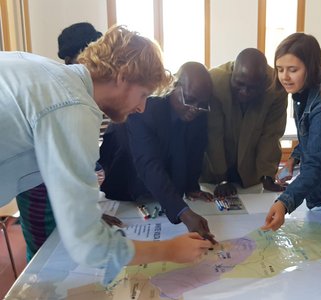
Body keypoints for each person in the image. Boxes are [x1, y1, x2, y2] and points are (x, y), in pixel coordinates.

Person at [0, 26, 212, 285]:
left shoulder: (48, 72)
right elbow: (87, 244)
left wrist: (84, 209)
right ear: (123, 76)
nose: (142, 107)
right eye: (143, 94)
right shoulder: (74, 109)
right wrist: (170, 250)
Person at [14, 22, 120, 262]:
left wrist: (88, 214)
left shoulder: (84, 90)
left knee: (67, 253)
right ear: (78, 58)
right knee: (45, 256)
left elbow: (78, 162)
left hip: (59, 181)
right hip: (36, 184)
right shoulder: (63, 91)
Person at [99, 62, 215, 240]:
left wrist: (191, 185)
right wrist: (183, 212)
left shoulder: (199, 107)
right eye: (190, 100)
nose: (195, 109)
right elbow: (147, 164)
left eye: (201, 104)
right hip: (126, 176)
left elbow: (195, 149)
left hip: (161, 191)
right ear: (174, 87)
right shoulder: (146, 107)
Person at [261, 33, 321, 231]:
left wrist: (284, 202)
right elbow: (311, 136)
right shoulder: (300, 93)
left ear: (311, 68)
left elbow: (317, 164)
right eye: (280, 70)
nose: (284, 77)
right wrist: (295, 156)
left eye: (292, 70)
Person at [201, 48, 288, 197]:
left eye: (252, 88)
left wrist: (267, 175)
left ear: (264, 82)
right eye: (239, 84)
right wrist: (221, 179)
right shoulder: (215, 82)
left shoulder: (276, 88)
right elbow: (214, 134)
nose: (245, 92)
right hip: (214, 169)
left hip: (250, 170)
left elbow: (271, 135)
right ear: (233, 73)